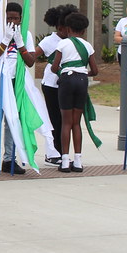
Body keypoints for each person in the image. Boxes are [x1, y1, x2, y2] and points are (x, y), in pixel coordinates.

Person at [0, 2, 36, 176]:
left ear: (21, 18)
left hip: (16, 82)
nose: (12, 21)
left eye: (15, 18)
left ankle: (9, 159)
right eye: (9, 18)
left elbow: (31, 61)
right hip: (0, 81)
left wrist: (20, 44)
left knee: (13, 121)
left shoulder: (25, 34)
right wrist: (5, 41)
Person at [51, 12, 98, 173]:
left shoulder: (63, 44)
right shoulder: (87, 46)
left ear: (68, 28)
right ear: (84, 30)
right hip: (82, 81)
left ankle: (65, 161)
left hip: (67, 81)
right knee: (76, 123)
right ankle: (78, 160)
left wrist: (65, 71)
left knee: (66, 122)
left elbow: (54, 67)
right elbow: (95, 70)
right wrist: (84, 73)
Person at [35, 4, 77, 165]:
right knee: (54, 120)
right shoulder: (49, 41)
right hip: (51, 84)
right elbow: (33, 55)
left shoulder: (73, 41)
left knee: (65, 120)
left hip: (67, 85)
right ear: (61, 27)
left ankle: (63, 154)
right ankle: (52, 154)